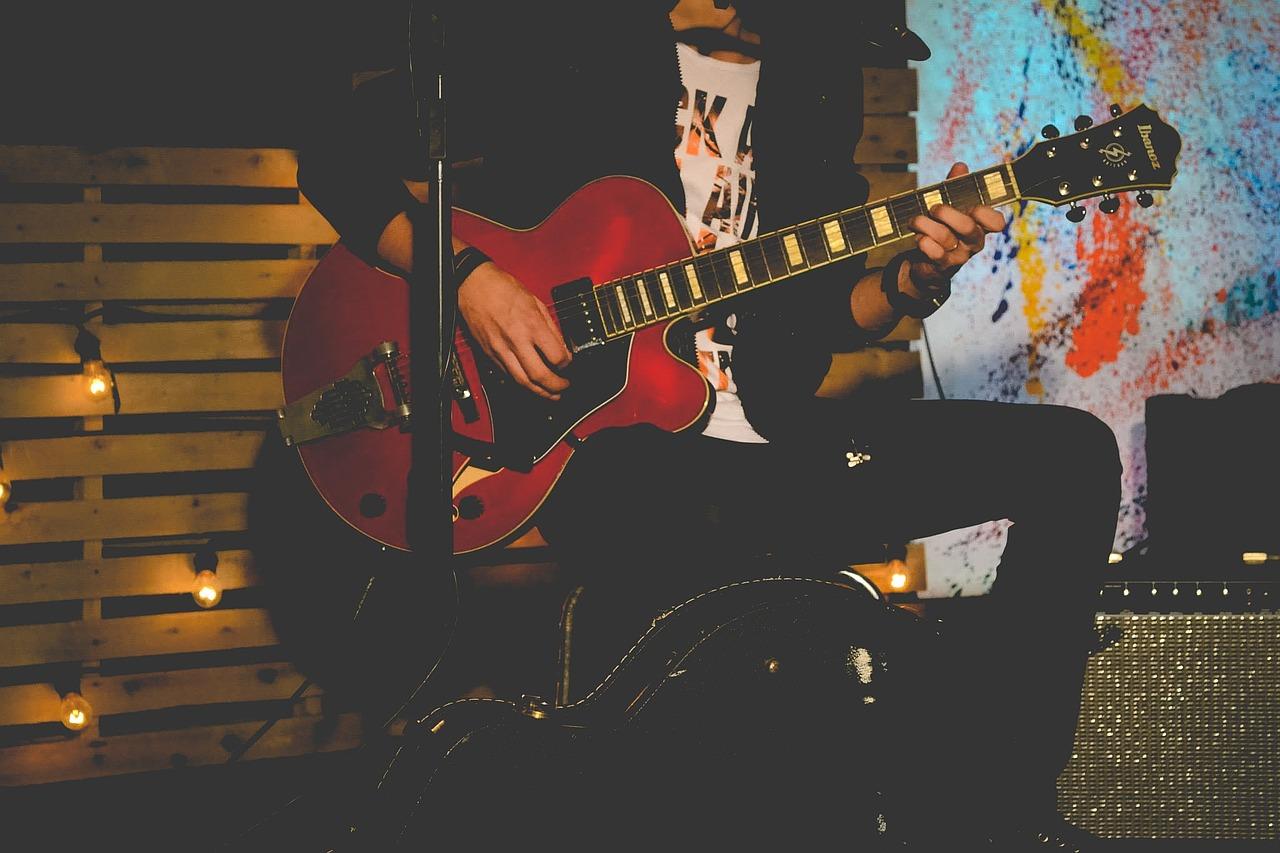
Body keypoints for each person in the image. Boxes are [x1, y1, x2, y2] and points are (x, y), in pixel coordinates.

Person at [296, 1, 1121, 848]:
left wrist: (913, 280)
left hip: (771, 449)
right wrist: (470, 280)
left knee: (1074, 458)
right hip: (613, 450)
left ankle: (1001, 800)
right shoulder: (566, 46)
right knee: (729, 565)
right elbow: (331, 152)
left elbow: (822, 312)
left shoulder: (818, 79)